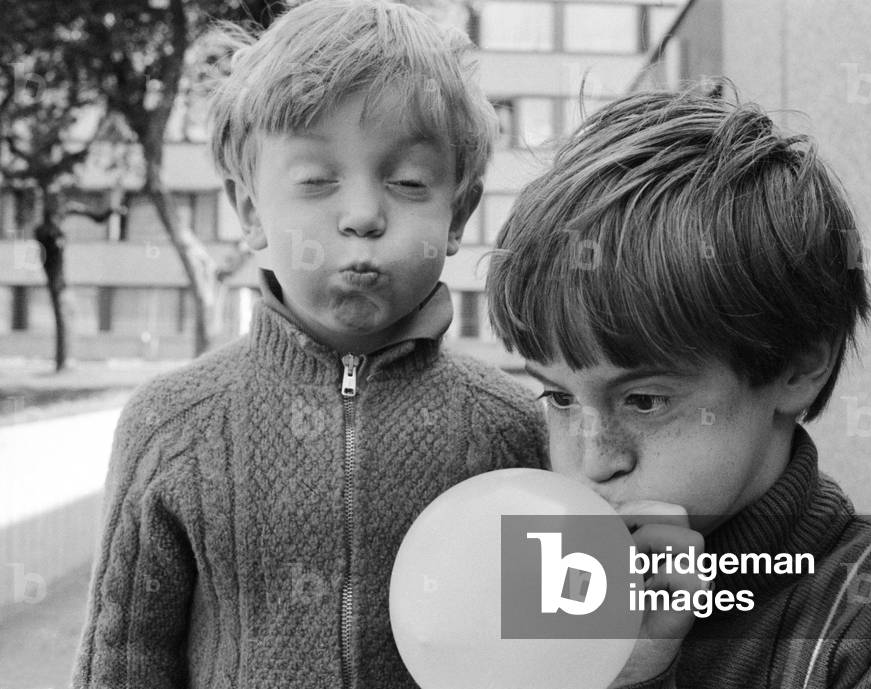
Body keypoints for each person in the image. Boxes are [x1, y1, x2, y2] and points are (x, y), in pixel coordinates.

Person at [71, 1, 546, 687]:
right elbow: (123, 663)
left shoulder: (512, 430)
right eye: (317, 180)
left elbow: (550, 656)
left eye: (408, 182)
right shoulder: (168, 427)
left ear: (458, 215)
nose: (361, 214)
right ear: (250, 211)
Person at [486, 85, 871, 688]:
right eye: (561, 399)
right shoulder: (558, 588)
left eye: (644, 400)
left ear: (798, 368)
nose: (592, 461)